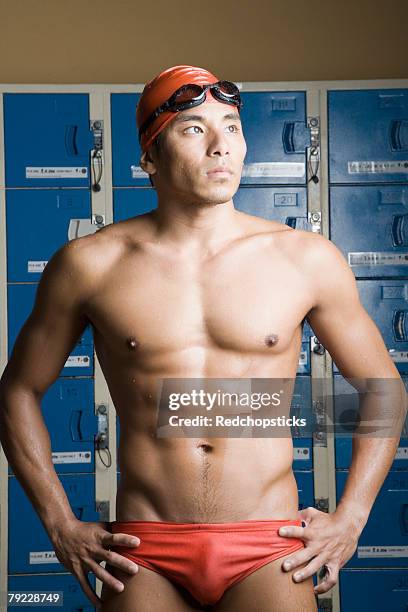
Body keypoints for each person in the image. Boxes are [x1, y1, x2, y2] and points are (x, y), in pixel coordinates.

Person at [0, 65, 405, 612]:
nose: (222, 147)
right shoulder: (90, 265)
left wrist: (352, 517)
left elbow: (382, 389)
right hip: (144, 548)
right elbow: (17, 391)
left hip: (268, 545)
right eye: (194, 129)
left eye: (232, 127)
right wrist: (60, 523)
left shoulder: (305, 259)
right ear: (149, 157)